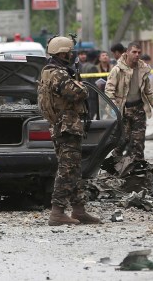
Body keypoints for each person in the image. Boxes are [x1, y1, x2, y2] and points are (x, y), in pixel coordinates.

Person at [37, 36, 101, 226]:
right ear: (63, 53)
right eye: (70, 52)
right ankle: (57, 212)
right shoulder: (58, 73)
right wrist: (82, 85)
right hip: (67, 126)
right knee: (67, 169)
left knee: (74, 169)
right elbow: (78, 93)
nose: (72, 55)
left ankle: (79, 209)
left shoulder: (49, 71)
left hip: (62, 125)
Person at [105, 42, 153, 161]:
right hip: (123, 109)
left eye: (139, 52)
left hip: (139, 109)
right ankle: (114, 161)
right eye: (134, 52)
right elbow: (109, 89)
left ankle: (137, 164)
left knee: (138, 140)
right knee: (124, 139)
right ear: (127, 52)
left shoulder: (143, 69)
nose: (137, 55)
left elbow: (147, 90)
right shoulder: (117, 70)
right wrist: (113, 106)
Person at [79, 50, 100, 120]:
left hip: (85, 92)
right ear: (96, 58)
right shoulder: (93, 67)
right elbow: (95, 82)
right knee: (92, 113)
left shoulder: (84, 66)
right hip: (92, 94)